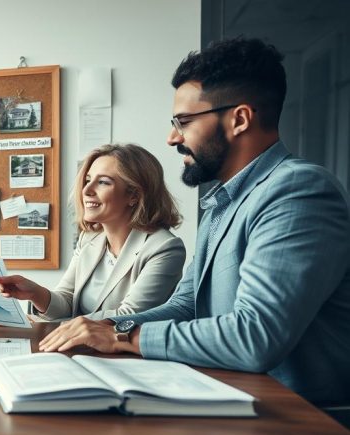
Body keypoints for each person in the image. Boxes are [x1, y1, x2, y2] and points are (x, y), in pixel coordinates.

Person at [40, 38, 350, 407]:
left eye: (183, 122)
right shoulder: (221, 203)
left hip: (298, 419)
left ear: (239, 119)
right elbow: (186, 305)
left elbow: (255, 337)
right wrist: (109, 326)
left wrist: (124, 337)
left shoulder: (298, 191)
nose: (172, 137)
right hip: (230, 397)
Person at [0, 143, 185, 320]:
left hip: (123, 354)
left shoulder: (164, 248)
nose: (86, 190)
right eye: (87, 180)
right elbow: (66, 301)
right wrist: (35, 293)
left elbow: (129, 316)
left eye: (103, 182)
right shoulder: (88, 239)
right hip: (77, 350)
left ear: (134, 195)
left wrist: (54, 325)